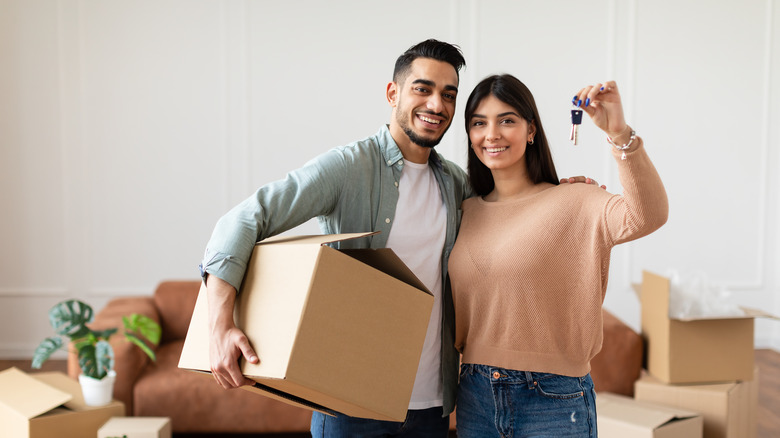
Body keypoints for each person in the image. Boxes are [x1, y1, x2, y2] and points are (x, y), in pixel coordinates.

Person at [200, 40, 593, 437]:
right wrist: (219, 325)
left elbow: (510, 216)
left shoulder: (457, 183)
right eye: (423, 89)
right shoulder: (349, 168)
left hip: (431, 408)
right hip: (349, 403)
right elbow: (243, 221)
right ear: (394, 93)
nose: (436, 105)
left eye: (448, 95)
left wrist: (556, 194)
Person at [448, 75, 668, 438]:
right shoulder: (464, 210)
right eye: (478, 122)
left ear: (531, 130)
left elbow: (649, 214)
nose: (492, 134)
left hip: (552, 398)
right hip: (475, 395)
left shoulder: (575, 201)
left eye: (507, 120)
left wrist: (619, 134)